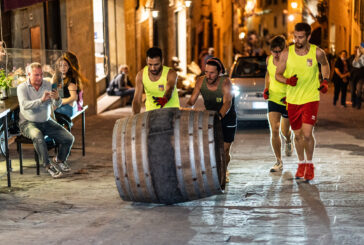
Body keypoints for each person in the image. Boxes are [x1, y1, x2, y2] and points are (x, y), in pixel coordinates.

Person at [275, 22, 330, 181]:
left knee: (307, 134)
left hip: (311, 98)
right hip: (293, 100)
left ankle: (310, 164)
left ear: (308, 37)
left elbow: (325, 65)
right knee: (297, 134)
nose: (297, 40)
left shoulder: (317, 52)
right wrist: (287, 81)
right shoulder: (286, 53)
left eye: (300, 37)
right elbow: (278, 74)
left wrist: (325, 81)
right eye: (295, 37)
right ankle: (301, 163)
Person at [17, 62, 74, 178]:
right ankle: (48, 166)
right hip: (28, 123)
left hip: (46, 121)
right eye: (36, 75)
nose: (39, 78)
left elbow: (57, 104)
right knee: (38, 136)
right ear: (29, 74)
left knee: (69, 138)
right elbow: (24, 105)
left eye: (41, 74)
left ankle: (59, 159)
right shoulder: (22, 88)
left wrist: (57, 98)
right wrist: (41, 100)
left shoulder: (48, 85)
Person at [187, 57, 236, 182]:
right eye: (206, 72)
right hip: (210, 117)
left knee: (224, 149)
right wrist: (185, 111)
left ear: (219, 73)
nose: (208, 75)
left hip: (227, 117)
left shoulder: (225, 83)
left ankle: (224, 170)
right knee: (213, 148)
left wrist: (219, 117)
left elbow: (227, 103)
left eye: (212, 72)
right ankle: (218, 172)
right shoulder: (200, 81)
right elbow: (192, 101)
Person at [263, 35, 293, 172]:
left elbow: (296, 80)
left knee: (284, 130)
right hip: (274, 98)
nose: (276, 54)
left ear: (284, 49)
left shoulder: (290, 61)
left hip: (287, 99)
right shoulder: (269, 59)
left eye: (279, 51)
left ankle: (288, 139)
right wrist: (266, 88)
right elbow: (268, 75)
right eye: (273, 51)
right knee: (274, 129)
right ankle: (278, 161)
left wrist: (291, 96)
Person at [132, 47, 180, 114]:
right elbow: (137, 100)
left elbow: (170, 89)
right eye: (150, 64)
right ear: (146, 61)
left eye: (156, 64)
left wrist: (164, 99)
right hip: (150, 114)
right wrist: (135, 118)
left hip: (171, 112)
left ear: (162, 61)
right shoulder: (140, 75)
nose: (153, 68)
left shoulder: (171, 73)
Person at [52, 51, 87, 119]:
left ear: (69, 66)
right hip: (67, 105)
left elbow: (74, 97)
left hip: (69, 107)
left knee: (47, 113)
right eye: (60, 65)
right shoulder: (61, 78)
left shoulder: (71, 80)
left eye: (65, 65)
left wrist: (59, 102)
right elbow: (59, 93)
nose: (63, 67)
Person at [352, 43, 364, 109]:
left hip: (361, 77)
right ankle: (355, 103)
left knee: (359, 90)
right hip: (354, 77)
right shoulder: (355, 57)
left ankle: (358, 104)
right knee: (355, 90)